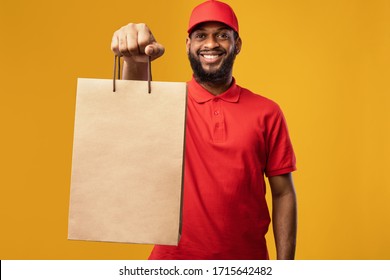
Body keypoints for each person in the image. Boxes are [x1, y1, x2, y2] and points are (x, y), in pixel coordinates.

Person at [111, 0, 297, 260]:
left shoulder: (267, 112)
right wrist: (136, 61)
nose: (211, 44)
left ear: (237, 44)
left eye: (222, 34)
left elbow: (283, 192)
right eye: (201, 36)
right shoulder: (166, 104)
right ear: (189, 45)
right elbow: (129, 117)